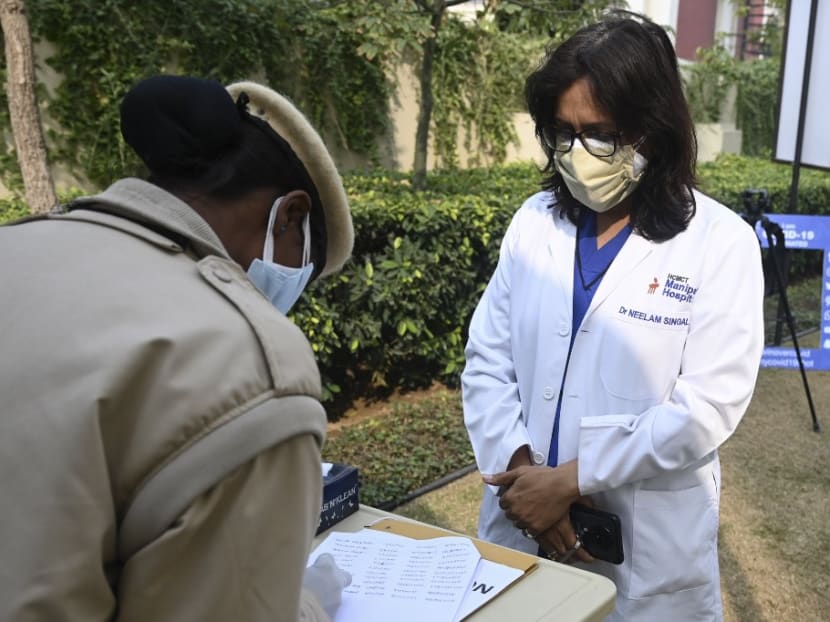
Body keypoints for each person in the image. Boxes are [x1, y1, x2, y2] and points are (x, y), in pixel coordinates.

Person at [0, 75, 354, 621]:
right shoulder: (245, 357)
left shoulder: (16, 246)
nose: (290, 292)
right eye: (301, 268)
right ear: (290, 215)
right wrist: (304, 605)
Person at [462, 11, 764, 621]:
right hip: (520, 522)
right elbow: (487, 363)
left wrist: (571, 482)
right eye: (562, 134)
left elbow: (707, 406)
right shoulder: (534, 224)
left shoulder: (719, 243)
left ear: (651, 131)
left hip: (642, 550)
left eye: (598, 134)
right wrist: (527, 483)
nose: (577, 155)